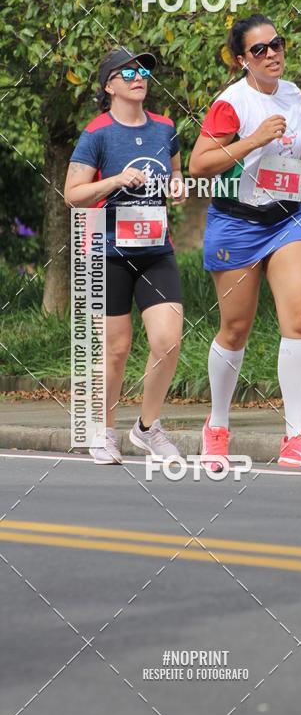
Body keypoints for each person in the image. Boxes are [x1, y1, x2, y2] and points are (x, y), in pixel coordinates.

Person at [189, 14, 301, 468]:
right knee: (235, 329)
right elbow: (200, 165)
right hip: (237, 223)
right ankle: (217, 426)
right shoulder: (232, 103)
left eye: (277, 45)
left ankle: (295, 436)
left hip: (287, 218)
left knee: (300, 320)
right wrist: (251, 140)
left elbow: (286, 152)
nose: (272, 54)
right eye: (259, 50)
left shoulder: (293, 95)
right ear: (241, 60)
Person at [65, 46, 184, 464]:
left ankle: (147, 429)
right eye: (128, 72)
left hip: (155, 249)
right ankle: (104, 431)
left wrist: (178, 186)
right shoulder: (96, 133)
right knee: (115, 350)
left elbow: (176, 170)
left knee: (168, 342)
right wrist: (114, 180)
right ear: (109, 85)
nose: (139, 77)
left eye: (144, 71)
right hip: (106, 249)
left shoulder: (166, 128)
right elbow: (73, 195)